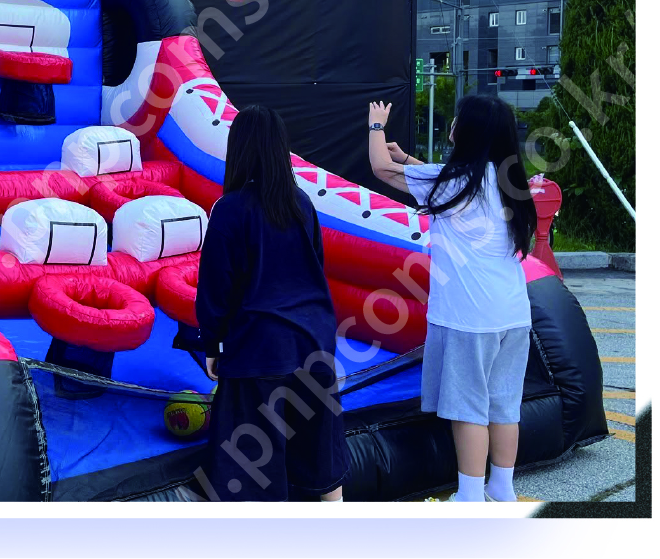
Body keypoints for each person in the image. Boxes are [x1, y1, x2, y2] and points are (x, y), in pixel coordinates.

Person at [366, 95, 537, 502]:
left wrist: (376, 125)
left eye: (459, 118)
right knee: (504, 405)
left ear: (468, 131)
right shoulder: (507, 181)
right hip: (514, 315)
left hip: (468, 318)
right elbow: (433, 178)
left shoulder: (454, 181)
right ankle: (502, 489)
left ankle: (470, 496)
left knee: (468, 408)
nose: (454, 123)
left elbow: (379, 168)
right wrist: (409, 161)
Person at [196, 105, 349, 502]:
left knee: (252, 477)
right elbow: (315, 270)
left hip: (259, 353)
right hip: (314, 346)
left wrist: (212, 345)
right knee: (322, 465)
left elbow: (215, 288)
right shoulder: (302, 203)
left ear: (238, 149)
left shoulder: (229, 209)